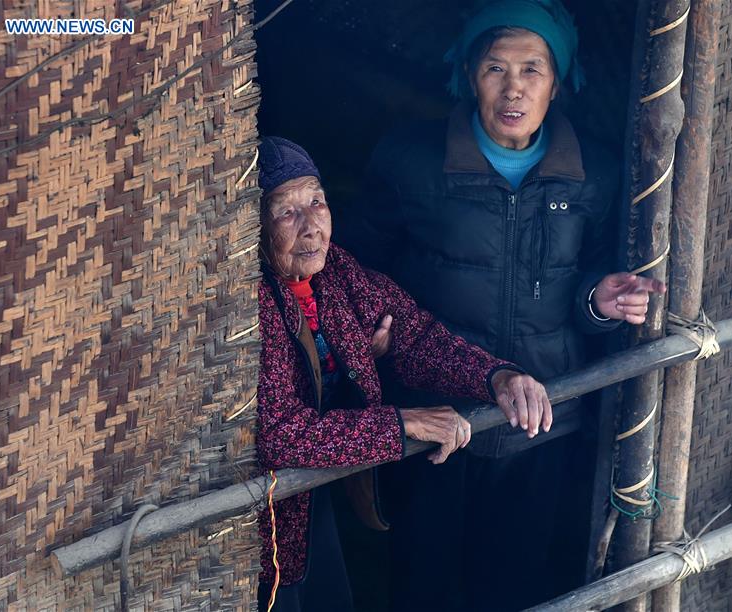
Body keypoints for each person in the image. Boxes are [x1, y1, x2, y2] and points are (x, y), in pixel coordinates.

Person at [341, 1, 667, 609]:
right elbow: (356, 269)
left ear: (558, 82)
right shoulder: (411, 160)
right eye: (495, 68)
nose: (512, 88)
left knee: (513, 589)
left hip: (540, 430)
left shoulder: (594, 173)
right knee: (421, 587)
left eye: (531, 70)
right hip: (435, 423)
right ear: (469, 75)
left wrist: (598, 301)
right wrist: (369, 334)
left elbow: (589, 287)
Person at [254, 136, 551, 612]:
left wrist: (497, 376)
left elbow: (415, 337)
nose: (311, 227)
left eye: (316, 202)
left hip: (319, 499)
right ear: (256, 227)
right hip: (262, 526)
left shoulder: (337, 275)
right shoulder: (254, 304)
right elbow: (279, 436)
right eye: (286, 213)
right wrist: (402, 424)